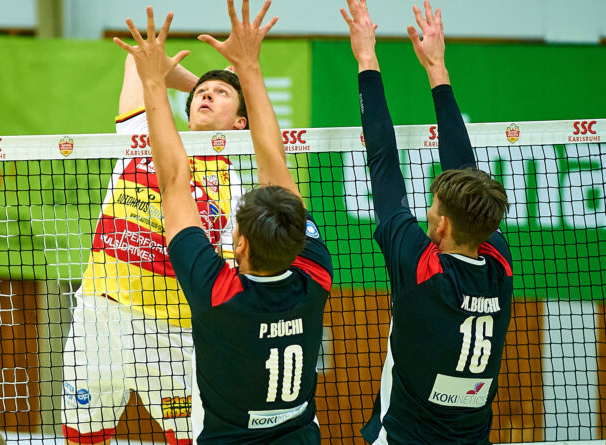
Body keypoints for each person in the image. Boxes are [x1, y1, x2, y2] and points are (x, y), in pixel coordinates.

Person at [114, 0, 333, 443]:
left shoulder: (221, 289)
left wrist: (238, 70)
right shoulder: (313, 273)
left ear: (240, 246)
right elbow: (274, 166)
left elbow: (172, 180)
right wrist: (240, 73)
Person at [60, 13, 249, 445]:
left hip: (173, 332)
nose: (207, 95)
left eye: (220, 95)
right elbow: (139, 62)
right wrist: (213, 82)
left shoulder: (236, 188)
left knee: (193, 438)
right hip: (100, 317)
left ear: (241, 123)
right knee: (82, 438)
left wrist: (229, 84)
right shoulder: (143, 135)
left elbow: (226, 272)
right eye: (201, 93)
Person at [341, 0, 513, 443]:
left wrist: (366, 58)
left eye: (433, 206)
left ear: (442, 226)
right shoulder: (498, 264)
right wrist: (437, 69)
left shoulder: (421, 267)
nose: (427, 211)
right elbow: (465, 171)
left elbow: (382, 160)